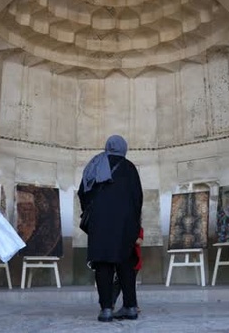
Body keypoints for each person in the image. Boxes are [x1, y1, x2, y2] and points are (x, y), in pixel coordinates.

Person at [78, 135, 143, 322]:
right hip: (125, 224)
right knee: (126, 265)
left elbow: (83, 193)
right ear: (123, 148)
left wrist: (94, 214)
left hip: (100, 224)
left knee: (103, 265)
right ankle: (130, 307)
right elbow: (137, 198)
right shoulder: (129, 168)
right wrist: (134, 223)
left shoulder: (96, 164)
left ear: (107, 147)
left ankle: (106, 309)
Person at [112, 227, 143, 311]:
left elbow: (139, 241)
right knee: (118, 283)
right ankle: (111, 304)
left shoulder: (138, 228)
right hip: (121, 259)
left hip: (134, 261)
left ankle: (132, 305)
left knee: (129, 283)